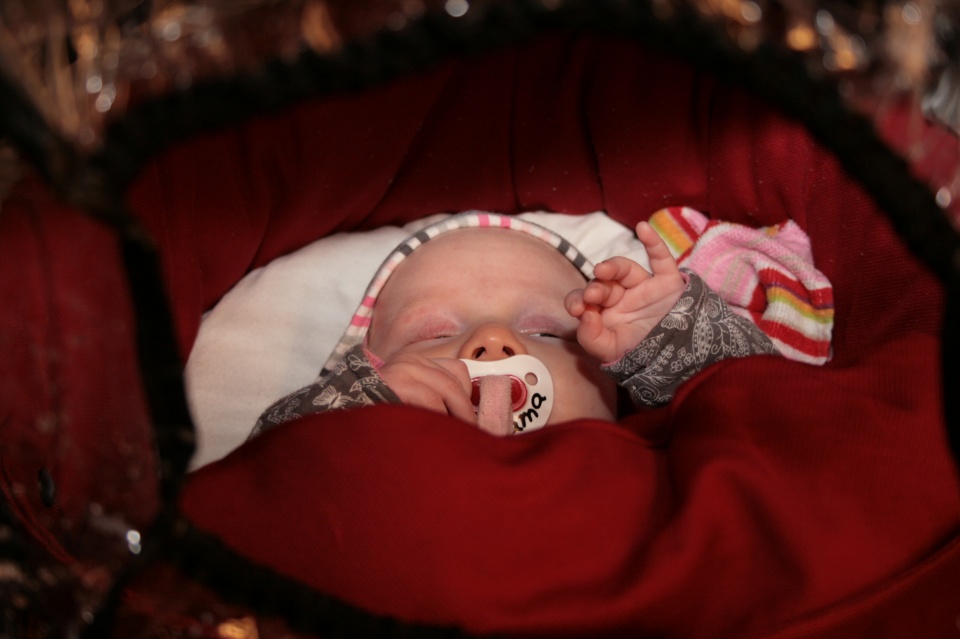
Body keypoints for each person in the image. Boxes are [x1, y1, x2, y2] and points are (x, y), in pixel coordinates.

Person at [249, 212, 779, 437]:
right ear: (367, 367)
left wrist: (673, 343)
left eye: (547, 333)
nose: (493, 341)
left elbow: (771, 423)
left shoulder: (644, 457)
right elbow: (268, 484)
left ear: (616, 390)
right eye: (433, 335)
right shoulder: (368, 469)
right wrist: (358, 413)